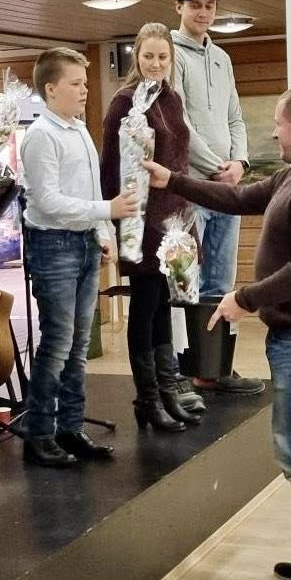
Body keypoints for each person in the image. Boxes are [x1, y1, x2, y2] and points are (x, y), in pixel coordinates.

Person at [143, 84, 291, 580]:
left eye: (280, 123)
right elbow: (239, 199)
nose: (274, 132)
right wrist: (174, 180)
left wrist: (244, 298)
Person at [18, 47, 137, 467]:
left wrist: (103, 233)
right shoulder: (40, 136)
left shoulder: (79, 129)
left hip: (84, 242)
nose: (85, 90)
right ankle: (39, 434)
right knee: (57, 342)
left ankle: (70, 427)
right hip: (54, 246)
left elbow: (90, 188)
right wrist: (107, 211)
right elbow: (47, 201)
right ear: (51, 89)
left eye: (85, 83)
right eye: (76, 83)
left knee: (79, 344)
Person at [100, 22, 206, 434]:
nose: (156, 64)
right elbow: (110, 167)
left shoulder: (172, 98)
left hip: (175, 217)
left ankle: (167, 390)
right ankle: (147, 399)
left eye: (163, 57)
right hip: (141, 219)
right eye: (148, 56)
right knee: (144, 306)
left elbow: (181, 158)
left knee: (164, 304)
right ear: (136, 57)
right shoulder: (124, 102)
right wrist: (115, 222)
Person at [172, 0, 265, 397]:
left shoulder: (222, 58)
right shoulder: (171, 53)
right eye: (195, 4)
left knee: (221, 282)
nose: (203, 12)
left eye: (209, 5)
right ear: (179, 7)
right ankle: (184, 371)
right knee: (185, 282)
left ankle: (215, 369)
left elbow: (235, 117)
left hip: (227, 190)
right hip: (193, 187)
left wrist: (240, 163)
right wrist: (215, 168)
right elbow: (179, 123)